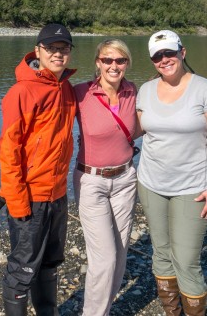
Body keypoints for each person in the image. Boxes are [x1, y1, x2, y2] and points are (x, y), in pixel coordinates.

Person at [136, 30, 207, 316]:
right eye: (157, 56)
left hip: (194, 187)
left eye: (169, 53)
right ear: (152, 60)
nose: (164, 60)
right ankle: (172, 311)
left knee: (187, 260)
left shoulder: (206, 89)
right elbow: (137, 131)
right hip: (151, 184)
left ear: (182, 52)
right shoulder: (145, 90)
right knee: (161, 254)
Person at [0, 23, 77, 316]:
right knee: (23, 266)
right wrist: (16, 200)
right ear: (38, 50)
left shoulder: (66, 88)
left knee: (52, 260)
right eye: (52, 48)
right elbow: (9, 151)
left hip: (57, 194)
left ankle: (48, 311)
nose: (58, 54)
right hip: (30, 197)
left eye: (64, 48)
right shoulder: (21, 92)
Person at [73, 39, 139, 316]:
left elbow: (153, 122)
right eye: (108, 60)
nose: (114, 66)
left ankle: (104, 308)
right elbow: (45, 116)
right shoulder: (79, 93)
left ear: (127, 64)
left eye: (120, 60)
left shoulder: (133, 91)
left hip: (126, 179)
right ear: (98, 62)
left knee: (120, 252)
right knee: (104, 257)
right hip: (92, 182)